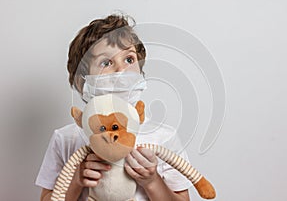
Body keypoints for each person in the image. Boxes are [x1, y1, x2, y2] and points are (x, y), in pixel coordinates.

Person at [35, 13, 192, 201]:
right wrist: (76, 180)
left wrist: (152, 181)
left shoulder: (164, 137)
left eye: (129, 59)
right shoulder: (66, 139)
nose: (121, 70)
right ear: (82, 82)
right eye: (106, 62)